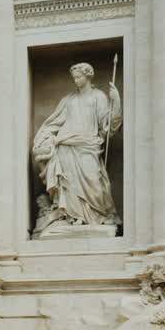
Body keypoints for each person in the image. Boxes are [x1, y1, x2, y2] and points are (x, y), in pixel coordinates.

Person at [32, 62, 123, 231]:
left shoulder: (99, 97)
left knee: (93, 179)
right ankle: (74, 216)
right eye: (74, 77)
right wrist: (44, 138)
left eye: (79, 77)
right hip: (66, 145)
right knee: (69, 183)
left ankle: (99, 215)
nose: (76, 80)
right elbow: (53, 123)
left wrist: (116, 101)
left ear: (88, 76)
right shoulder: (68, 100)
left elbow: (108, 126)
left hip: (88, 145)